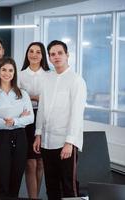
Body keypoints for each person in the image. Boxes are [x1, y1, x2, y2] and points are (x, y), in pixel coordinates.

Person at [33, 40, 87, 200]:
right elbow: (41, 108)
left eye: (60, 53)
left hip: (65, 143)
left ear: (67, 55)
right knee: (51, 186)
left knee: (69, 187)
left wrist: (69, 142)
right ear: (49, 57)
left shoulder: (76, 80)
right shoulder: (47, 79)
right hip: (46, 142)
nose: (56, 57)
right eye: (52, 54)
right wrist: (38, 134)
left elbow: (77, 114)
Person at [0, 57, 34, 199]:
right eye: (4, 69)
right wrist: (19, 118)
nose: (7, 73)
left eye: (10, 70)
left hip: (20, 137)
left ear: (14, 73)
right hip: (0, 139)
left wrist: (14, 121)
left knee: (15, 181)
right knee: (1, 181)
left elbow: (30, 118)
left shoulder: (22, 94)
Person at [19, 42, 50, 199]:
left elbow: (51, 99)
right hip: (27, 119)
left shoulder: (49, 75)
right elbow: (17, 97)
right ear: (27, 54)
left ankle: (35, 196)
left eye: (38, 52)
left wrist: (29, 96)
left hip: (45, 118)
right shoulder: (20, 74)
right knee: (30, 163)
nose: (34, 54)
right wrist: (36, 97)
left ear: (43, 55)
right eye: (31, 51)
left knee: (41, 163)